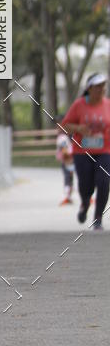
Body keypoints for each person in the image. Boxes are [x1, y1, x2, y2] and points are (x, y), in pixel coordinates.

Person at [61, 73, 110, 230]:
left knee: (104, 181)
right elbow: (65, 125)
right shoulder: (79, 105)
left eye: (103, 86)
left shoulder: (107, 104)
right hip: (82, 152)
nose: (101, 89)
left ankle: (98, 218)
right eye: (97, 86)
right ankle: (85, 203)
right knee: (86, 184)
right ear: (89, 88)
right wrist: (79, 128)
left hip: (104, 150)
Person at [55, 128, 74, 205]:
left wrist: (67, 159)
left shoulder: (62, 137)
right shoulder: (66, 137)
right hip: (70, 158)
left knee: (68, 177)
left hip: (68, 159)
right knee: (69, 178)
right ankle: (68, 196)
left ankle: (67, 196)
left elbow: (64, 149)